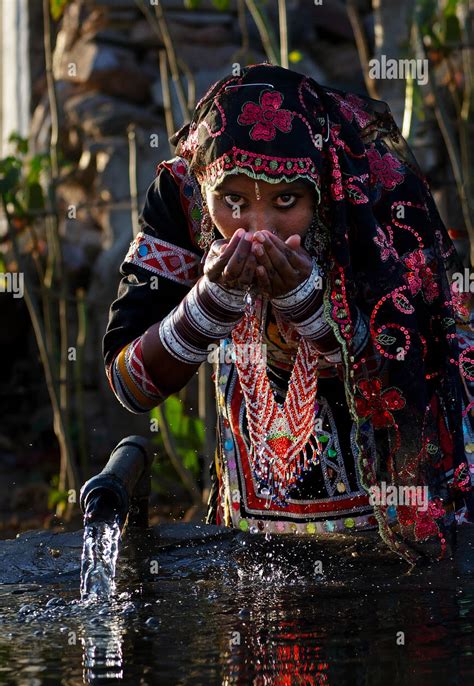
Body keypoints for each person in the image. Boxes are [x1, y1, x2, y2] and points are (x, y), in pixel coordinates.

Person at [102, 63, 473, 565]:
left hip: (385, 538)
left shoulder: (368, 196)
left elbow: (406, 379)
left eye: (286, 200)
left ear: (321, 191)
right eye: (232, 200)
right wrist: (207, 307)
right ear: (206, 184)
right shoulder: (182, 197)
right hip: (250, 540)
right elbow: (130, 386)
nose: (258, 229)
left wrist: (311, 305)